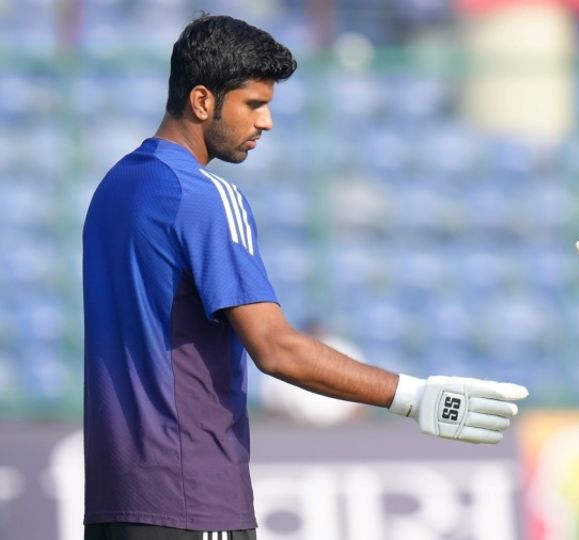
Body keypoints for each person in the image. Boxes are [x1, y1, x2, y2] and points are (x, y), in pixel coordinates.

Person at [82, 14, 528, 540]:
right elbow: (276, 349)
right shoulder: (204, 197)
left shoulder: (113, 188)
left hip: (114, 506)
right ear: (203, 102)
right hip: (193, 498)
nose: (266, 121)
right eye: (253, 104)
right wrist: (415, 396)